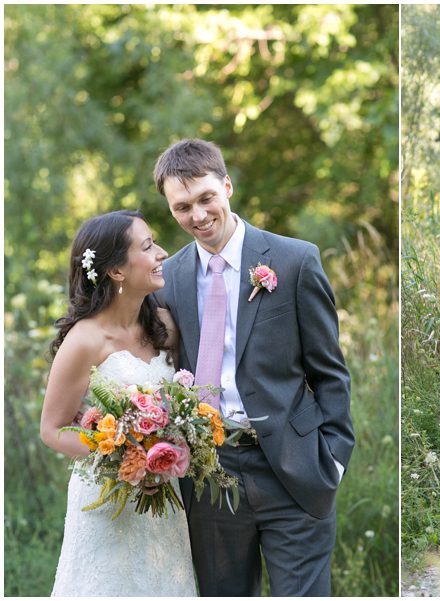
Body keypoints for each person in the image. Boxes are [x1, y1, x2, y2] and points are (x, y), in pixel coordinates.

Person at [152, 139, 354, 596]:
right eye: (182, 207)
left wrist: (334, 459)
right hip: (209, 474)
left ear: (227, 186)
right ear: (170, 209)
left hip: (295, 469)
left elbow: (330, 372)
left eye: (206, 199)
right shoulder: (168, 281)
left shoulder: (294, 260)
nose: (198, 216)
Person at [41, 210, 197, 596]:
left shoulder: (164, 325)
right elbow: (52, 429)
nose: (162, 253)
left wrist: (161, 454)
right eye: (147, 246)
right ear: (116, 272)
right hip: (107, 502)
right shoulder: (86, 340)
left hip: (164, 497)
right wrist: (119, 453)